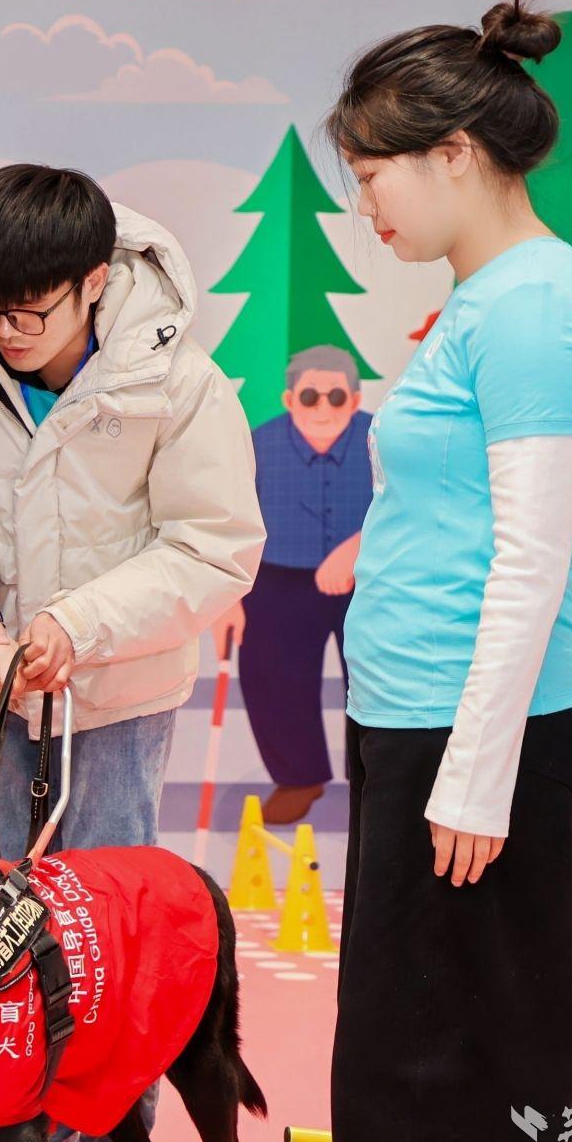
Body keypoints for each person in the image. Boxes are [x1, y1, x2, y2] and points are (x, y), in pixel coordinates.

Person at [0, 164, 263, 1142]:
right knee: (4, 926)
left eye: (28, 312)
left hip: (116, 697)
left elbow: (213, 548)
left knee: (106, 941)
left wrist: (79, 625)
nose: (3, 333)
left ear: (95, 281)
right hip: (3, 690)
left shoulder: (179, 383)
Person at [323, 0, 572, 1142]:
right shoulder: (490, 298)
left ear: (453, 153)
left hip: (481, 742)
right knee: (420, 1062)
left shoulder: (535, 309)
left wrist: (476, 775)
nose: (366, 205)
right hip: (428, 727)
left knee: (465, 1073)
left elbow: (532, 560)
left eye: (372, 174)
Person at [213, 344, 374, 825]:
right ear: (289, 400)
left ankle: (376, 775)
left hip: (369, 576)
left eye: (336, 396)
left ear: (355, 399)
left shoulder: (381, 443)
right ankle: (298, 776)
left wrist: (358, 547)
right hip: (277, 575)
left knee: (378, 675)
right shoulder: (258, 445)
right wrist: (228, 598)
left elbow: (409, 505)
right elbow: (229, 522)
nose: (323, 408)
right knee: (272, 675)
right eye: (310, 396)